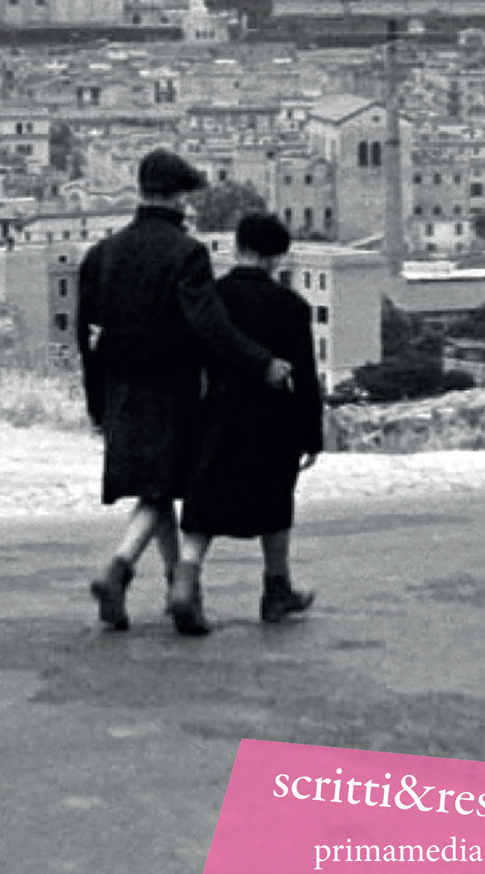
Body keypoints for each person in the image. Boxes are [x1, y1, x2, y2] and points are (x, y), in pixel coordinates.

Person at [78, 150, 292, 632]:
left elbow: (84, 335)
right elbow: (209, 325)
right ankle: (121, 569)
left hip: (119, 389)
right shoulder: (186, 254)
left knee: (157, 488)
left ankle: (180, 588)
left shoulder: (102, 253)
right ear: (178, 197)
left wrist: (96, 401)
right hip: (171, 389)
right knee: (163, 487)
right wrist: (261, 363)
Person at [176, 213, 323, 632]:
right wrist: (310, 434)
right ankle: (277, 591)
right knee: (275, 504)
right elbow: (305, 377)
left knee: (203, 505)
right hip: (272, 418)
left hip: (217, 411)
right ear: (278, 257)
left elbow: (191, 362)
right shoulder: (291, 307)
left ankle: (185, 582)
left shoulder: (212, 299)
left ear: (237, 247)